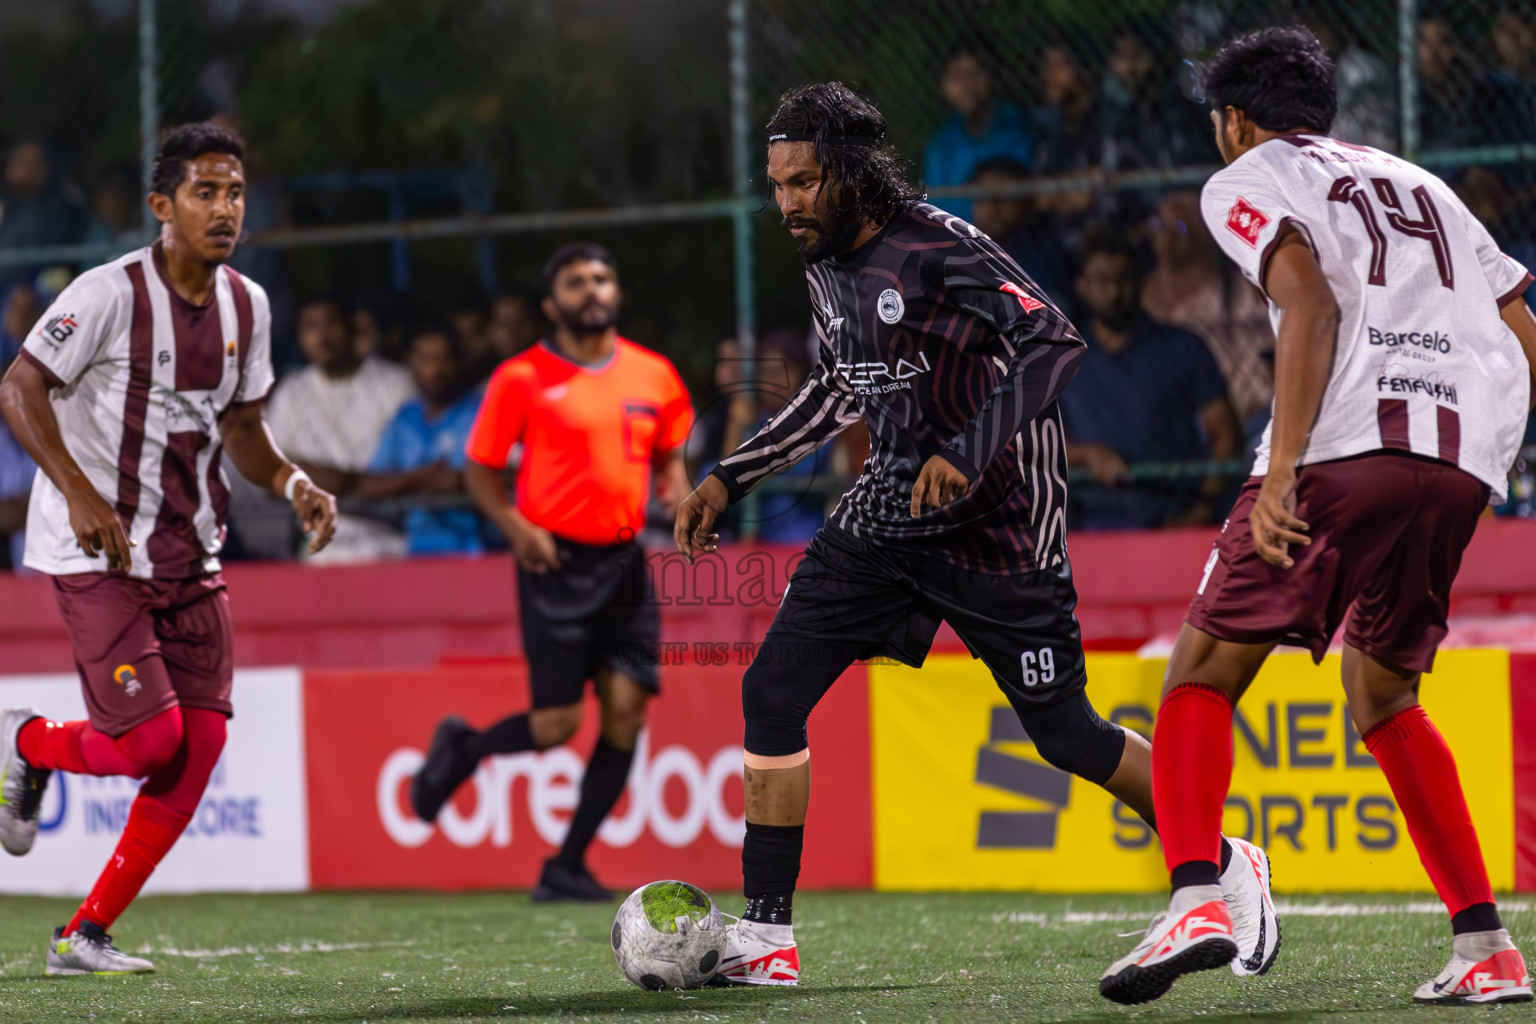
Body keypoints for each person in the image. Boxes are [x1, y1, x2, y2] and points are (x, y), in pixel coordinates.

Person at [672, 82, 1277, 987]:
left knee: (1067, 734)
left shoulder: (939, 244)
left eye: (802, 182)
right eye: (778, 183)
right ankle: (767, 938)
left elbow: (1055, 341)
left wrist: (968, 447)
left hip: (1000, 534)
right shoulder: (824, 260)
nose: (786, 202)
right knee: (773, 692)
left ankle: (1228, 862)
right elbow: (840, 383)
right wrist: (732, 473)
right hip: (886, 523)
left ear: (846, 174)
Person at [1100, 27, 1536, 1006]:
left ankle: (1198, 893)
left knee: (1200, 674)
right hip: (1457, 460)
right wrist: (1493, 456)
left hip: (1344, 446)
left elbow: (1308, 303)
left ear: (1236, 119)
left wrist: (1285, 467)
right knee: (1384, 692)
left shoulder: (1248, 175)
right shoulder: (1427, 183)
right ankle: (1487, 945)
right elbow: (1520, 325)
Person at [0, 122, 337, 975]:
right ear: (162, 206)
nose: (225, 209)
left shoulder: (248, 306)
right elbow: (19, 385)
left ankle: (82, 935)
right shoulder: (107, 293)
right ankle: (27, 742)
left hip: (193, 555)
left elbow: (245, 427)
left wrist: (294, 483)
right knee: (150, 742)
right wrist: (79, 491)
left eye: (234, 193)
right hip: (98, 553)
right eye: (205, 193)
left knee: (202, 746)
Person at [409, 243, 693, 901]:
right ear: (551, 303)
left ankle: (565, 866)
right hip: (553, 563)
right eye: (575, 282)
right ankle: (465, 748)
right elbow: (481, 468)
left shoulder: (656, 374)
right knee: (556, 727)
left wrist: (674, 484)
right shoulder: (521, 377)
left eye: (601, 277)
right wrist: (516, 529)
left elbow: (669, 451)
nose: (592, 289)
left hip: (625, 565)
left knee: (626, 714)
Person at [1060, 227, 1241, 529]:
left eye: (1124, 278)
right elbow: (1039, 443)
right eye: (1102, 280)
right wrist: (1089, 456)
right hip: (1095, 526)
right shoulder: (1063, 361)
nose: (1115, 291)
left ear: (1141, 280)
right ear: (1081, 285)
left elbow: (1225, 433)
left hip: (1175, 519)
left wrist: (1203, 507)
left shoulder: (1183, 347)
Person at [265, 293, 416, 561]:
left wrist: (321, 478)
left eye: (331, 323)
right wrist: (355, 484)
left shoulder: (396, 383)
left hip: (391, 541)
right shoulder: (289, 393)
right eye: (311, 326)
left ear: (352, 328)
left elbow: (412, 474)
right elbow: (272, 479)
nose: (322, 336)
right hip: (317, 549)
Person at [357, 323, 486, 556]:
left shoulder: (483, 410)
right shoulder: (405, 418)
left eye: (444, 358)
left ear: (460, 361)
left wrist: (463, 481)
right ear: (411, 363)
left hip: (477, 551)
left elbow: (512, 475)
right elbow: (368, 486)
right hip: (416, 553)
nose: (436, 369)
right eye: (426, 359)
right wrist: (418, 479)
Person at [922, 48, 1035, 223]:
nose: (967, 84)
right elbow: (934, 204)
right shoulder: (942, 139)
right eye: (956, 76)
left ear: (991, 78)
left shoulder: (1013, 125)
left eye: (974, 73)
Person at [968, 157, 1076, 312]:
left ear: (1024, 203)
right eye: (983, 195)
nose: (993, 206)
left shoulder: (1044, 254)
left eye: (1006, 196)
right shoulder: (954, 252)